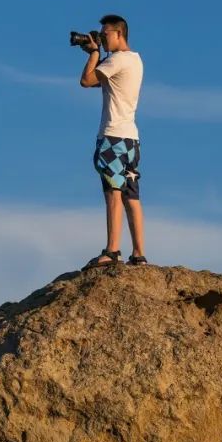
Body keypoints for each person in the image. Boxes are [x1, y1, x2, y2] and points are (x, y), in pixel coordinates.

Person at [78, 14, 147, 268]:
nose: (102, 38)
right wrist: (97, 54)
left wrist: (93, 54)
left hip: (113, 135)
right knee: (131, 194)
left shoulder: (117, 60)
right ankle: (138, 253)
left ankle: (113, 250)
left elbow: (86, 81)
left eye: (105, 34)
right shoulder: (135, 61)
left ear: (119, 34)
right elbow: (102, 82)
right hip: (131, 138)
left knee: (113, 192)